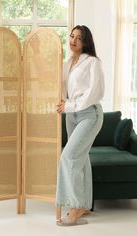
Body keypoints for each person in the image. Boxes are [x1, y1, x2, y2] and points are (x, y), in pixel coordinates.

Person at [56, 25, 105, 226]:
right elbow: (64, 89)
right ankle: (84, 205)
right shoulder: (67, 64)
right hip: (71, 116)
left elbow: (95, 92)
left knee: (68, 156)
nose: (73, 40)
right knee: (81, 159)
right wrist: (64, 104)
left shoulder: (93, 62)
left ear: (86, 42)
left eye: (79, 37)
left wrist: (69, 106)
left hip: (89, 114)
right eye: (71, 36)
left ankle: (74, 208)